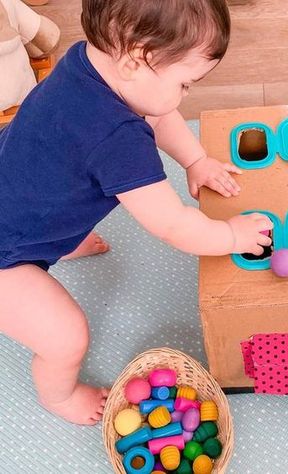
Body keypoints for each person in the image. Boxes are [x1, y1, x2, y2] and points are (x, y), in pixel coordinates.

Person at [0, 0, 272, 425]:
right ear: (136, 59)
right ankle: (59, 396)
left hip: (15, 191)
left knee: (52, 197)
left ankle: (56, 241)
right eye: (185, 84)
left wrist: (195, 160)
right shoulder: (115, 139)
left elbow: (157, 114)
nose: (185, 95)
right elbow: (172, 225)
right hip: (5, 256)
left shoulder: (88, 62)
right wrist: (233, 236)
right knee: (65, 336)